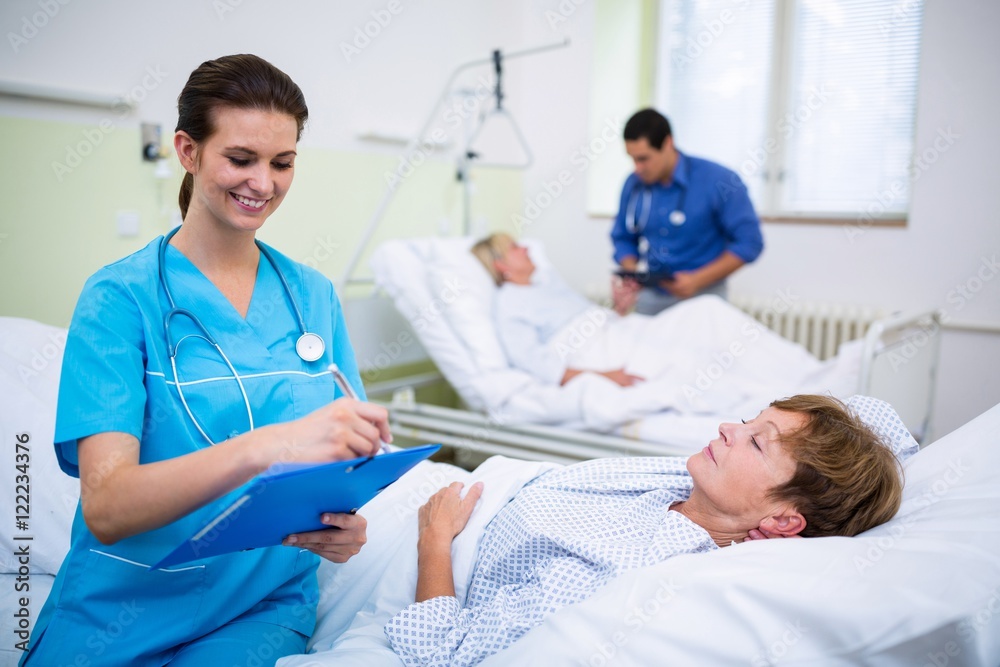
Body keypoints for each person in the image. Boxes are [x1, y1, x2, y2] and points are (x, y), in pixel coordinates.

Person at [20, 54, 392, 666]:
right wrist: (270, 445)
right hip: (123, 603)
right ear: (188, 151)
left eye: (283, 162)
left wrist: (342, 526)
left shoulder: (313, 296)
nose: (263, 184)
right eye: (240, 159)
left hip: (261, 604)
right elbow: (109, 507)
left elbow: (347, 456)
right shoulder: (119, 298)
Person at [384, 395, 909, 666]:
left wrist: (434, 539)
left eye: (755, 442)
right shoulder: (691, 488)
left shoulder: (630, 565)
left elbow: (441, 653)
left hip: (427, 537)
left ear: (782, 521)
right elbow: (879, 423)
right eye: (749, 419)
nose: (729, 426)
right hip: (465, 491)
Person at [610, 108, 764, 316]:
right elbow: (623, 236)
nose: (637, 168)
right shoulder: (634, 185)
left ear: (667, 143)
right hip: (652, 297)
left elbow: (749, 243)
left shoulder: (720, 181)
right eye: (632, 158)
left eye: (644, 159)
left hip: (704, 298)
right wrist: (630, 274)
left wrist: (697, 280)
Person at [472, 232, 643, 388]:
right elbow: (533, 362)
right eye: (515, 248)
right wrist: (605, 376)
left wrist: (620, 308)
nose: (526, 248)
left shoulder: (545, 284)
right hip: (593, 355)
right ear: (500, 264)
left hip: (618, 333)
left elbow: (591, 318)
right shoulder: (509, 304)